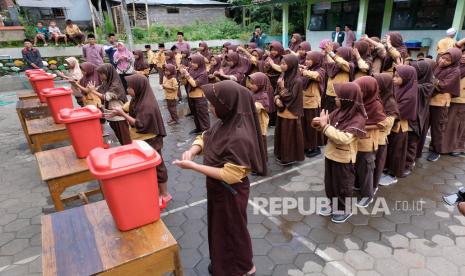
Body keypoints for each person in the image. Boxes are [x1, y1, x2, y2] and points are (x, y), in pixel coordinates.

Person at [174, 80, 266, 276]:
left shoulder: (240, 135)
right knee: (221, 229)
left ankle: (245, 268)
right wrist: (193, 150)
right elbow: (206, 136)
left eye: (213, 104)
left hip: (230, 192)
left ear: (227, 105)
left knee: (234, 231)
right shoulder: (226, 122)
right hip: (219, 190)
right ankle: (223, 263)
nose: (209, 107)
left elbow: (230, 175)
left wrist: (194, 166)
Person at [111, 74, 172, 209]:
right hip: (140, 140)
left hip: (150, 139)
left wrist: (123, 115)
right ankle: (154, 189)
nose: (127, 91)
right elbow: (126, 107)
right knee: (148, 166)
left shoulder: (147, 105)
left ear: (138, 88)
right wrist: (117, 112)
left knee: (158, 166)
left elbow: (140, 124)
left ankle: (165, 193)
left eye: (130, 88)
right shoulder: (137, 98)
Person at [313, 82, 366, 223]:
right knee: (330, 183)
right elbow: (327, 123)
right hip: (331, 154)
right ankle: (333, 204)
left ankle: (344, 209)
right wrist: (319, 122)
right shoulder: (339, 111)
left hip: (344, 158)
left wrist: (325, 127)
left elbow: (344, 138)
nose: (335, 99)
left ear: (347, 99)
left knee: (343, 185)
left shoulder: (357, 118)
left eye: (338, 97)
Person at [382, 65, 418, 185]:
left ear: (407, 78)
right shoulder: (398, 87)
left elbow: (399, 111)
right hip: (391, 124)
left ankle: (394, 174)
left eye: (397, 77)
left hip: (400, 126)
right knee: (390, 148)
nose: (394, 79)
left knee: (397, 151)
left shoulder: (410, 94)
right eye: (394, 76)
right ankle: (387, 168)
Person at [353, 76, 386, 207]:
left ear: (368, 90)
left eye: (359, 90)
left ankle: (368, 195)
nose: (356, 92)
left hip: (367, 143)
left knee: (366, 169)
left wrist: (361, 126)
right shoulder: (358, 101)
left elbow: (381, 124)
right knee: (358, 166)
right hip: (356, 140)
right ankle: (358, 185)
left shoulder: (376, 104)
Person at [427, 47, 462, 161]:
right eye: (442, 58)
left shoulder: (455, 71)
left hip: (440, 103)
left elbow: (444, 85)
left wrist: (432, 79)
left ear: (454, 61)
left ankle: (436, 151)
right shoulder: (438, 67)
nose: (442, 61)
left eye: (447, 60)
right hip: (429, 100)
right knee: (424, 125)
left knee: (438, 128)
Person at [89, 64, 131, 145]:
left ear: (108, 73)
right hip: (112, 114)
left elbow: (106, 97)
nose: (100, 76)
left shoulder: (116, 84)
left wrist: (93, 91)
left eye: (101, 74)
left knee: (125, 138)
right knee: (120, 136)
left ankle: (130, 153)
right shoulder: (107, 82)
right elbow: (100, 89)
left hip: (119, 116)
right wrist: (94, 89)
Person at [274, 54, 305, 165]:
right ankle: (281, 154)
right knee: (281, 134)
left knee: (288, 136)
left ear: (291, 65)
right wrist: (276, 98)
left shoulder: (297, 81)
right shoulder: (283, 76)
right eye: (281, 63)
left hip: (291, 111)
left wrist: (282, 88)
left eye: (284, 64)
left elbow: (292, 97)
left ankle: (289, 157)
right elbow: (276, 91)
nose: (281, 66)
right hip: (281, 110)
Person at [373, 73, 398, 188]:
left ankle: (373, 185)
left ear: (384, 86)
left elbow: (387, 123)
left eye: (376, 84)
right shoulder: (375, 97)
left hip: (380, 139)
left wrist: (369, 123)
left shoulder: (390, 103)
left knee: (377, 163)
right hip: (369, 138)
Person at [300, 51, 326, 158]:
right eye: (306, 59)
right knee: (305, 126)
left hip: (312, 103)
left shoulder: (321, 70)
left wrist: (303, 71)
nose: (307, 61)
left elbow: (316, 76)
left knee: (312, 126)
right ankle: (307, 145)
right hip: (304, 102)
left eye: (310, 59)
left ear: (316, 60)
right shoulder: (308, 69)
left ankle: (314, 146)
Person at [409, 60, 434, 163]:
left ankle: (411, 160)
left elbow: (416, 88)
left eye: (415, 70)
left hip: (420, 113)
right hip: (413, 112)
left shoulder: (428, 84)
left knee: (415, 138)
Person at [179, 54, 211, 135]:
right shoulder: (191, 70)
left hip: (200, 97)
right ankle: (199, 128)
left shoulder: (203, 73)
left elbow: (194, 84)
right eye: (191, 62)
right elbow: (184, 83)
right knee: (195, 114)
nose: (192, 64)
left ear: (200, 62)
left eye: (194, 62)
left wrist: (186, 74)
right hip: (191, 96)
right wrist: (182, 75)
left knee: (202, 115)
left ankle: (206, 131)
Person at [444, 49, 465, 156]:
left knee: (459, 126)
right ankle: (446, 147)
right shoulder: (453, 67)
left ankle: (457, 147)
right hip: (450, 100)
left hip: (461, 101)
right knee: (449, 125)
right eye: (463, 53)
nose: (464, 56)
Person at [323, 44, 355, 113]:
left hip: (340, 96)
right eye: (336, 54)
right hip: (329, 95)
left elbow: (342, 63)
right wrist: (327, 53)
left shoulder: (349, 65)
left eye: (338, 54)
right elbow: (332, 61)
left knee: (337, 115)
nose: (336, 57)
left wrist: (331, 53)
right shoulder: (335, 65)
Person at [247, 72, 271, 156]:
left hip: (260, 124)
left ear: (260, 84)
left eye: (253, 84)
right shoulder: (253, 92)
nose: (250, 85)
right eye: (250, 83)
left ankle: (262, 159)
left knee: (260, 142)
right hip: (253, 122)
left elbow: (257, 107)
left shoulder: (263, 95)